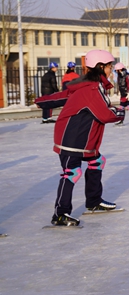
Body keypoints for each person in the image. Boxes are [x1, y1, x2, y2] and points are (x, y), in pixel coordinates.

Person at [40, 50, 124, 226]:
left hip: (84, 139)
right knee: (72, 172)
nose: (111, 69)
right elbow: (105, 114)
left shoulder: (92, 85)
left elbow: (65, 95)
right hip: (71, 138)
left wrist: (41, 101)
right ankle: (60, 214)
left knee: (97, 161)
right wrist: (120, 112)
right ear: (100, 67)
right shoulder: (92, 88)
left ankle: (93, 201)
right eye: (109, 66)